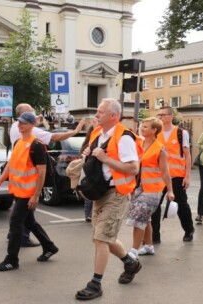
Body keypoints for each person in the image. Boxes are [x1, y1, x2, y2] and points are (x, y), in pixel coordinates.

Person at [75, 98, 141, 301]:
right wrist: (89, 154)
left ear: (114, 116)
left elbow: (133, 168)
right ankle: (130, 263)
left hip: (117, 193)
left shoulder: (124, 137)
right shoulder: (97, 133)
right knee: (102, 238)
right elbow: (96, 157)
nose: (96, 115)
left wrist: (105, 159)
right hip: (98, 192)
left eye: (101, 112)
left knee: (101, 239)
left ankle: (95, 284)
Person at [9, 103, 86, 247]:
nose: (34, 111)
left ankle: (38, 243)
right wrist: (75, 131)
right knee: (24, 214)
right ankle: (24, 240)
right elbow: (55, 137)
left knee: (23, 214)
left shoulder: (15, 127)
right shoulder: (31, 133)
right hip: (28, 178)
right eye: (30, 111)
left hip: (20, 179)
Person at [0, 111, 59, 272]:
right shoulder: (18, 143)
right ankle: (49, 246)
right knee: (29, 221)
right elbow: (10, 165)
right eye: (19, 122)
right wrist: (0, 180)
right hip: (18, 191)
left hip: (28, 193)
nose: (20, 125)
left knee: (15, 223)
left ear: (32, 125)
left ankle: (11, 260)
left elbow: (42, 172)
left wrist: (36, 195)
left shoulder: (36, 146)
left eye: (24, 123)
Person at [125, 117, 174, 259]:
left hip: (153, 189)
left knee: (139, 218)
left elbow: (165, 172)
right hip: (138, 187)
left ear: (154, 130)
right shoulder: (138, 143)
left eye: (146, 127)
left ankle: (133, 251)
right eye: (142, 125)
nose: (142, 128)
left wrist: (170, 190)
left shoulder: (160, 149)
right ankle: (148, 246)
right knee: (146, 219)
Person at [150, 106, 194, 243]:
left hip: (176, 176)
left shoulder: (181, 133)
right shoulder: (156, 133)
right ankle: (155, 236)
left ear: (170, 116)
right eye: (159, 115)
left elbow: (187, 155)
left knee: (181, 205)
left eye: (162, 115)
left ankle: (188, 230)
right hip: (158, 176)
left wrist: (187, 176)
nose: (160, 117)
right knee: (155, 206)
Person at [78, 119, 99, 222]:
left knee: (90, 192)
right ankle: (89, 214)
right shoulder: (90, 143)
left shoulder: (88, 142)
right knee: (90, 193)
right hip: (90, 171)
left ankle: (88, 214)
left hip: (89, 172)